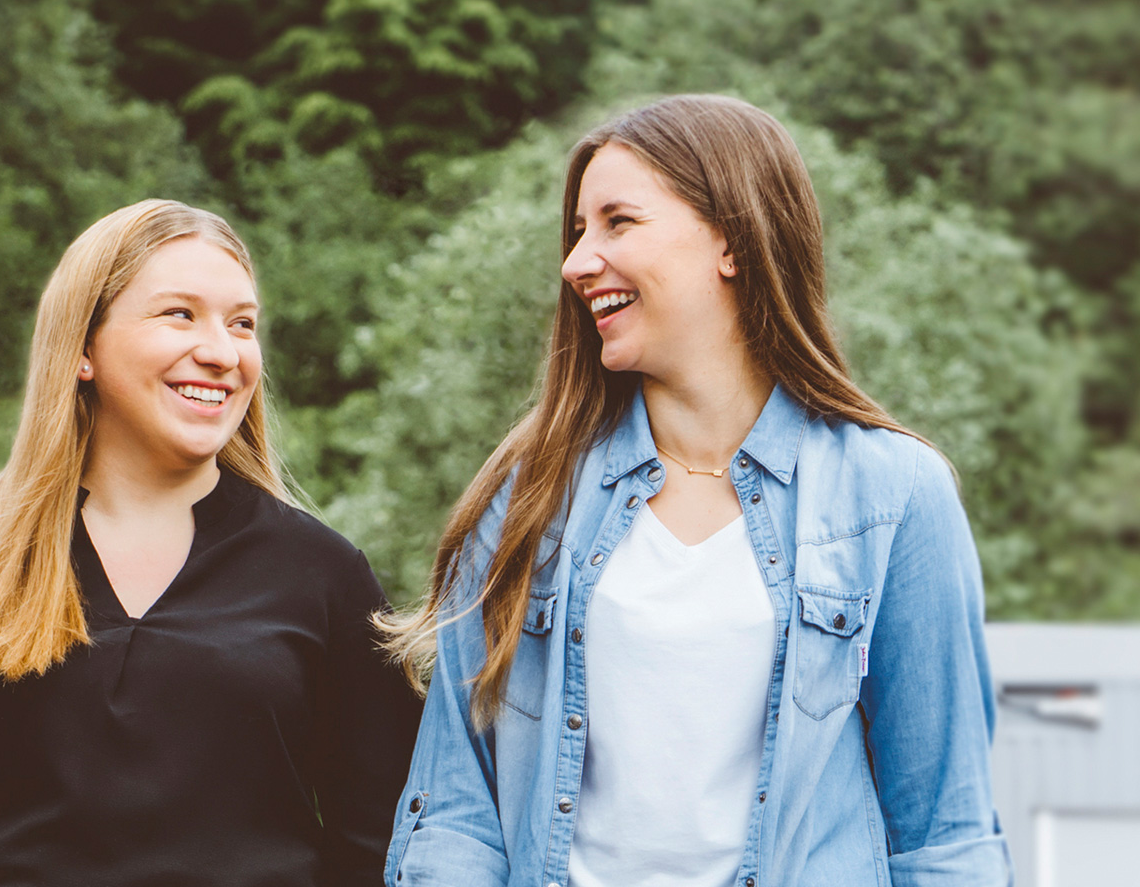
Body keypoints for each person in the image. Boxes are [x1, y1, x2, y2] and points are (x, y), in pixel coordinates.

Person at [378, 95, 1007, 886]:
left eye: (618, 222)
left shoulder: (893, 495)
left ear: (732, 241)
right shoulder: (527, 493)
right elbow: (456, 810)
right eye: (577, 232)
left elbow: (945, 837)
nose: (576, 262)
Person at [0, 199, 421, 886]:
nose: (222, 352)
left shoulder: (325, 575)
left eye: (242, 324)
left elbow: (383, 844)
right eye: (179, 314)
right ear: (82, 348)